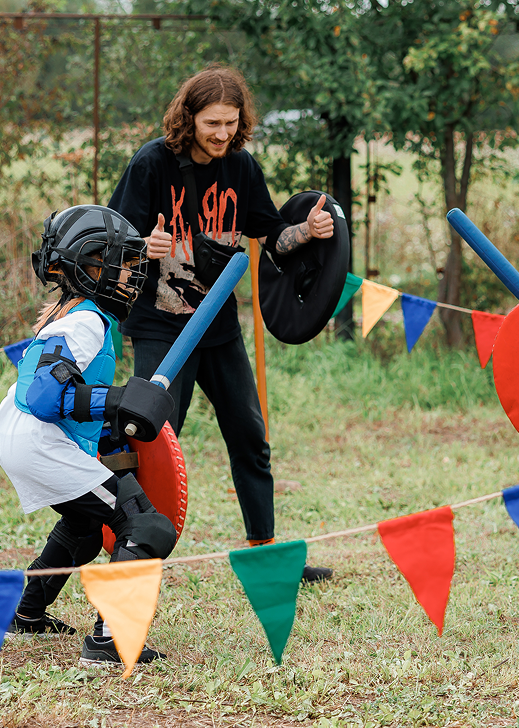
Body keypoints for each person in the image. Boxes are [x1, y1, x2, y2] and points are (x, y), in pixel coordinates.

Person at [107, 66, 334, 581]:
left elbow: (272, 235)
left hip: (218, 327)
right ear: (188, 118)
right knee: (153, 444)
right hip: (161, 327)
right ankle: (132, 559)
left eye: (231, 123)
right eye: (212, 123)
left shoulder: (242, 168)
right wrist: (145, 247)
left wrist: (307, 229)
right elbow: (112, 238)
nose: (222, 134)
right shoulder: (151, 164)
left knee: (250, 438)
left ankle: (265, 554)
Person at [0, 205, 179, 665]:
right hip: (37, 438)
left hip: (20, 434)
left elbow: (62, 393)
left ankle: (27, 612)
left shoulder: (75, 313)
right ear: (91, 264)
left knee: (84, 523)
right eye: (125, 264)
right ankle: (110, 639)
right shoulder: (87, 321)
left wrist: (112, 419)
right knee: (143, 524)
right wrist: (116, 400)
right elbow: (41, 395)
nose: (132, 274)